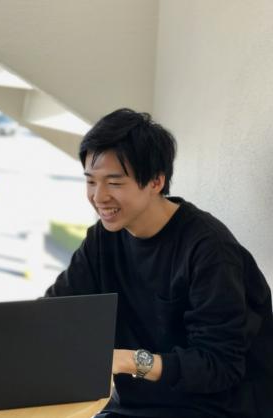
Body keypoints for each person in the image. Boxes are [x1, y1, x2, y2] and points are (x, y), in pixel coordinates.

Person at [45, 109, 273, 418]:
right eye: (91, 181)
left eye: (114, 183)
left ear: (156, 181)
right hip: (133, 406)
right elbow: (55, 310)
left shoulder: (210, 249)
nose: (99, 196)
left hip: (213, 408)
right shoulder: (103, 239)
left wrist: (127, 361)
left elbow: (220, 365)